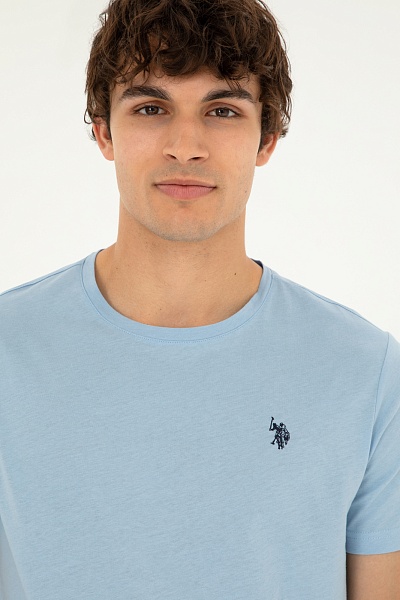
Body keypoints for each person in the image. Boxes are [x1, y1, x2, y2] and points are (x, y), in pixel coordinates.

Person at [0, 0, 399, 597]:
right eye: (151, 107)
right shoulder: (8, 350)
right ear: (104, 131)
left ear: (267, 138)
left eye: (222, 110)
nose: (185, 146)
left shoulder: (365, 370)